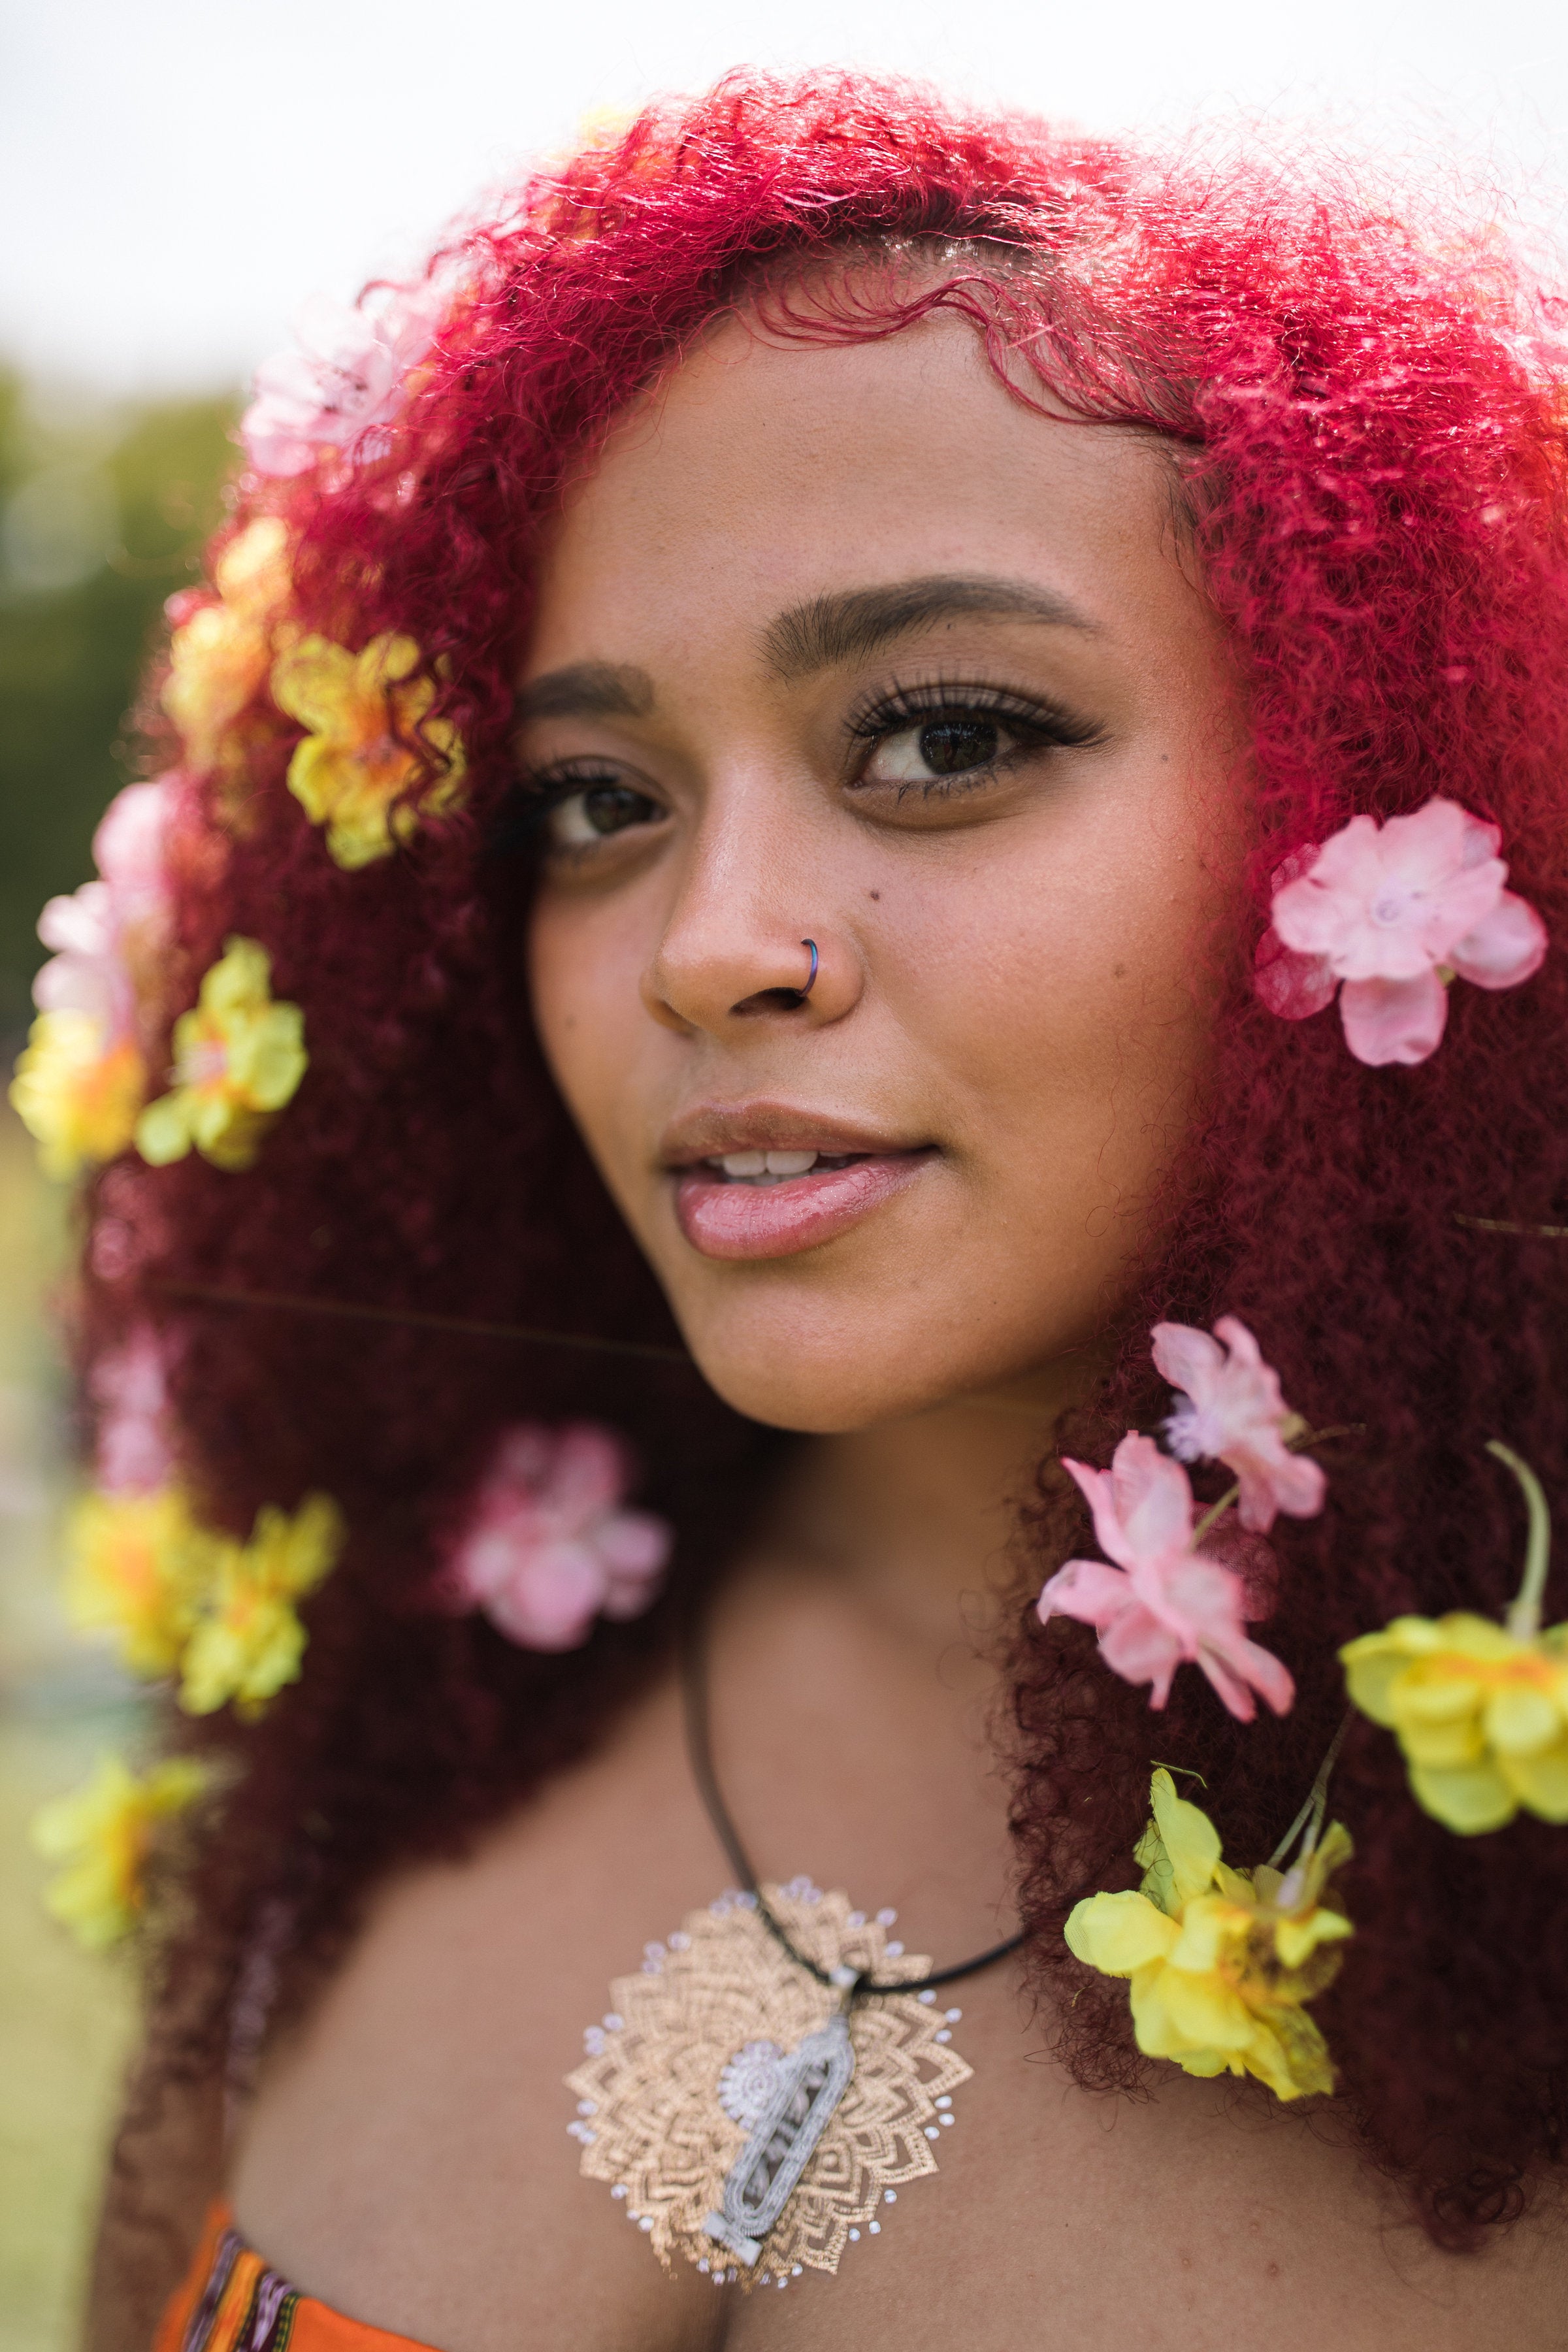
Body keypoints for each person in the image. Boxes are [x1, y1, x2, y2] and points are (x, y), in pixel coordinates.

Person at [20, 67, 1568, 2352]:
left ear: (1370, 781)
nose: (708, 944)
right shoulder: (400, 1709)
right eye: (594, 800)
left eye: (945, 738)